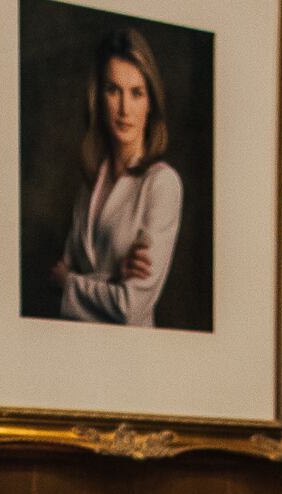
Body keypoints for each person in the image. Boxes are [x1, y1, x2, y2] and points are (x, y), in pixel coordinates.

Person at [52, 28, 183, 327]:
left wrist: (69, 284)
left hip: (133, 362)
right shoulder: (90, 184)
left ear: (150, 103)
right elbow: (56, 279)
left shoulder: (161, 184)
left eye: (136, 93)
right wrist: (112, 278)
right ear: (99, 97)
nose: (124, 109)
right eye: (114, 90)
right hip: (78, 354)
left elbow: (130, 305)